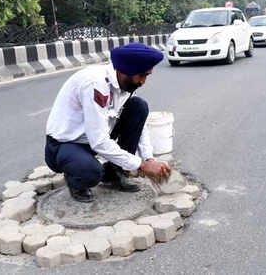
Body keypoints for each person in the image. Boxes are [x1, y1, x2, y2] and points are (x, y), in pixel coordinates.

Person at [45, 43, 172, 202]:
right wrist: (141, 166)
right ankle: (76, 181)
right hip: (64, 145)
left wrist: (148, 159)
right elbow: (98, 141)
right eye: (142, 75)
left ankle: (114, 174)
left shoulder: (124, 83)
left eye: (147, 75)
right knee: (91, 172)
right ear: (126, 71)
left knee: (138, 107)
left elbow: (140, 126)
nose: (143, 81)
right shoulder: (95, 84)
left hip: (93, 137)